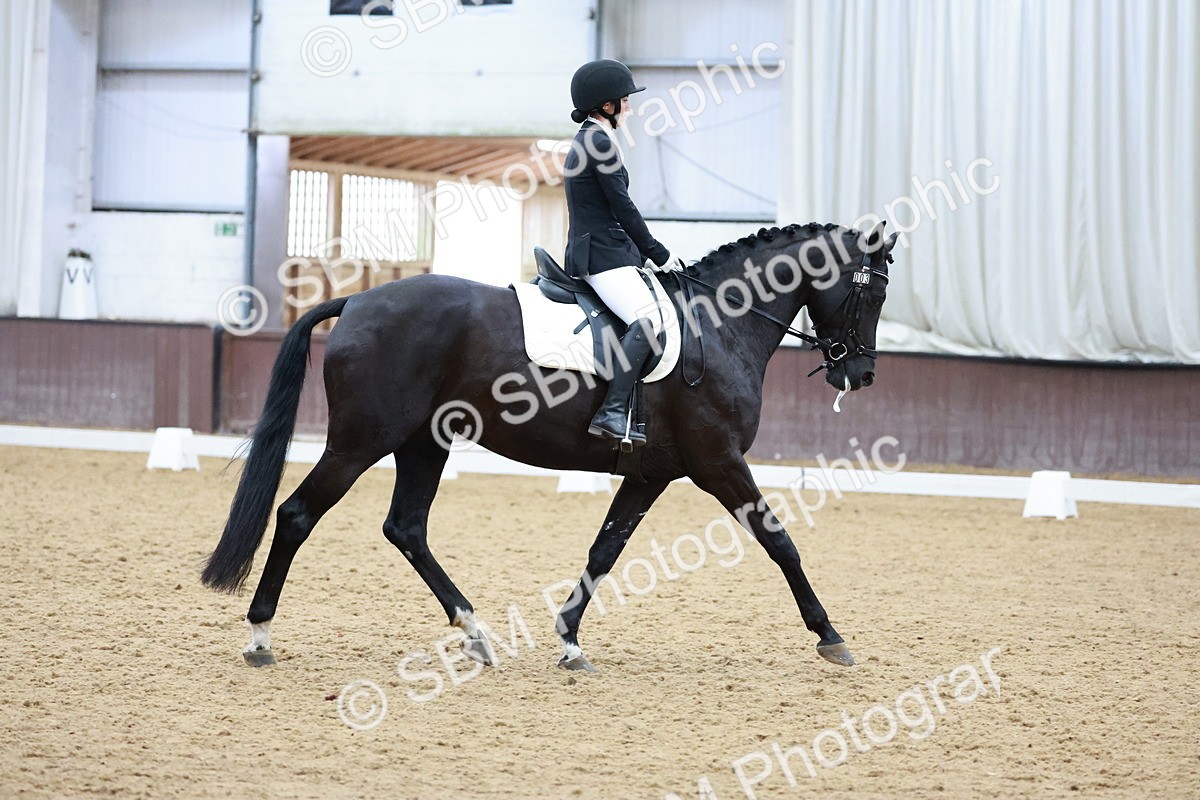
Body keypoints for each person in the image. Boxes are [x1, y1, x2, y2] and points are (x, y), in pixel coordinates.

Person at [563, 59, 686, 445]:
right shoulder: (598, 141)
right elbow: (622, 207)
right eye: (624, 100)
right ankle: (613, 413)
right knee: (647, 322)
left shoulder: (593, 138)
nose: (629, 107)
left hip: (608, 251)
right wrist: (659, 253)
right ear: (605, 105)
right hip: (601, 255)